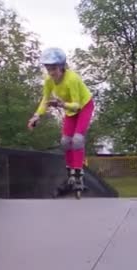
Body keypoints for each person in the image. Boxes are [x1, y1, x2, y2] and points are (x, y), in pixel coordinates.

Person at [27, 47, 94, 192]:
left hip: (84, 107)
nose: (51, 73)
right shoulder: (48, 81)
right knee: (65, 142)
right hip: (70, 110)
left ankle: (78, 175)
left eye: (54, 69)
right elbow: (45, 99)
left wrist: (60, 104)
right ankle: (69, 176)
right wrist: (36, 116)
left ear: (62, 67)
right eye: (48, 69)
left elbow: (76, 105)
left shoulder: (72, 79)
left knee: (77, 140)